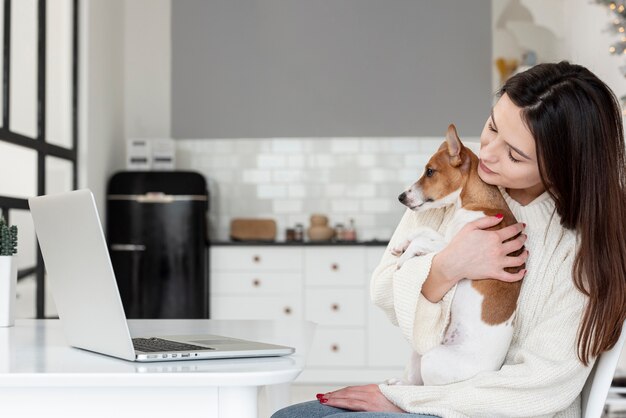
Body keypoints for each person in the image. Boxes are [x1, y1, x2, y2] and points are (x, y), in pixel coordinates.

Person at [271, 61, 626, 417]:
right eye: (492, 126)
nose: (486, 153)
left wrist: (407, 402)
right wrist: (446, 267)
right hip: (434, 392)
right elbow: (383, 292)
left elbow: (541, 387)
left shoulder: (584, 249)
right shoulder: (456, 173)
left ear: (564, 166)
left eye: (515, 154)